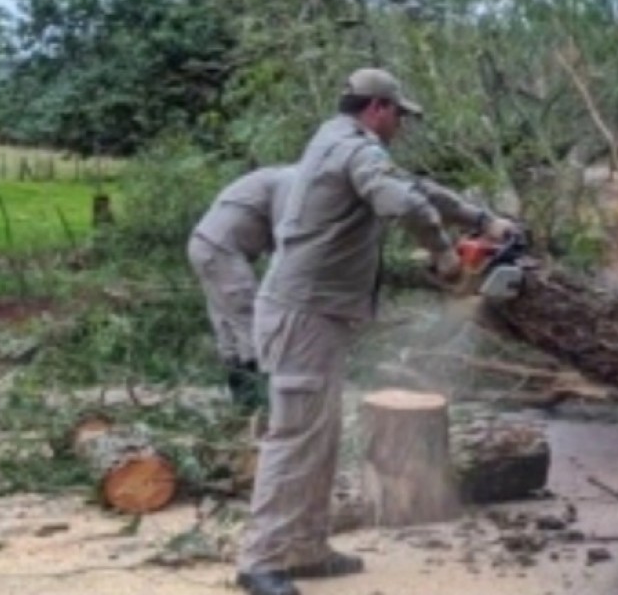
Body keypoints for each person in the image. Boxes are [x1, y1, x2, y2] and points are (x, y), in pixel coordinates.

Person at [235, 68, 517, 595]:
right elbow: (404, 204)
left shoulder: (340, 143)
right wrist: (445, 255)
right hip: (303, 312)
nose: (401, 127)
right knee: (295, 434)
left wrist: (482, 220)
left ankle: (305, 548)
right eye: (399, 117)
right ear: (378, 109)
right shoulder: (353, 148)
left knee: (320, 435)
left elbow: (416, 187)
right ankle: (261, 560)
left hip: (313, 312)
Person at [187, 162, 295, 411]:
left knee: (227, 323)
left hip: (207, 244)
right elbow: (286, 238)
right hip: (221, 247)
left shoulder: (280, 177)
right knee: (249, 320)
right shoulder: (293, 181)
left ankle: (241, 401)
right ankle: (258, 400)